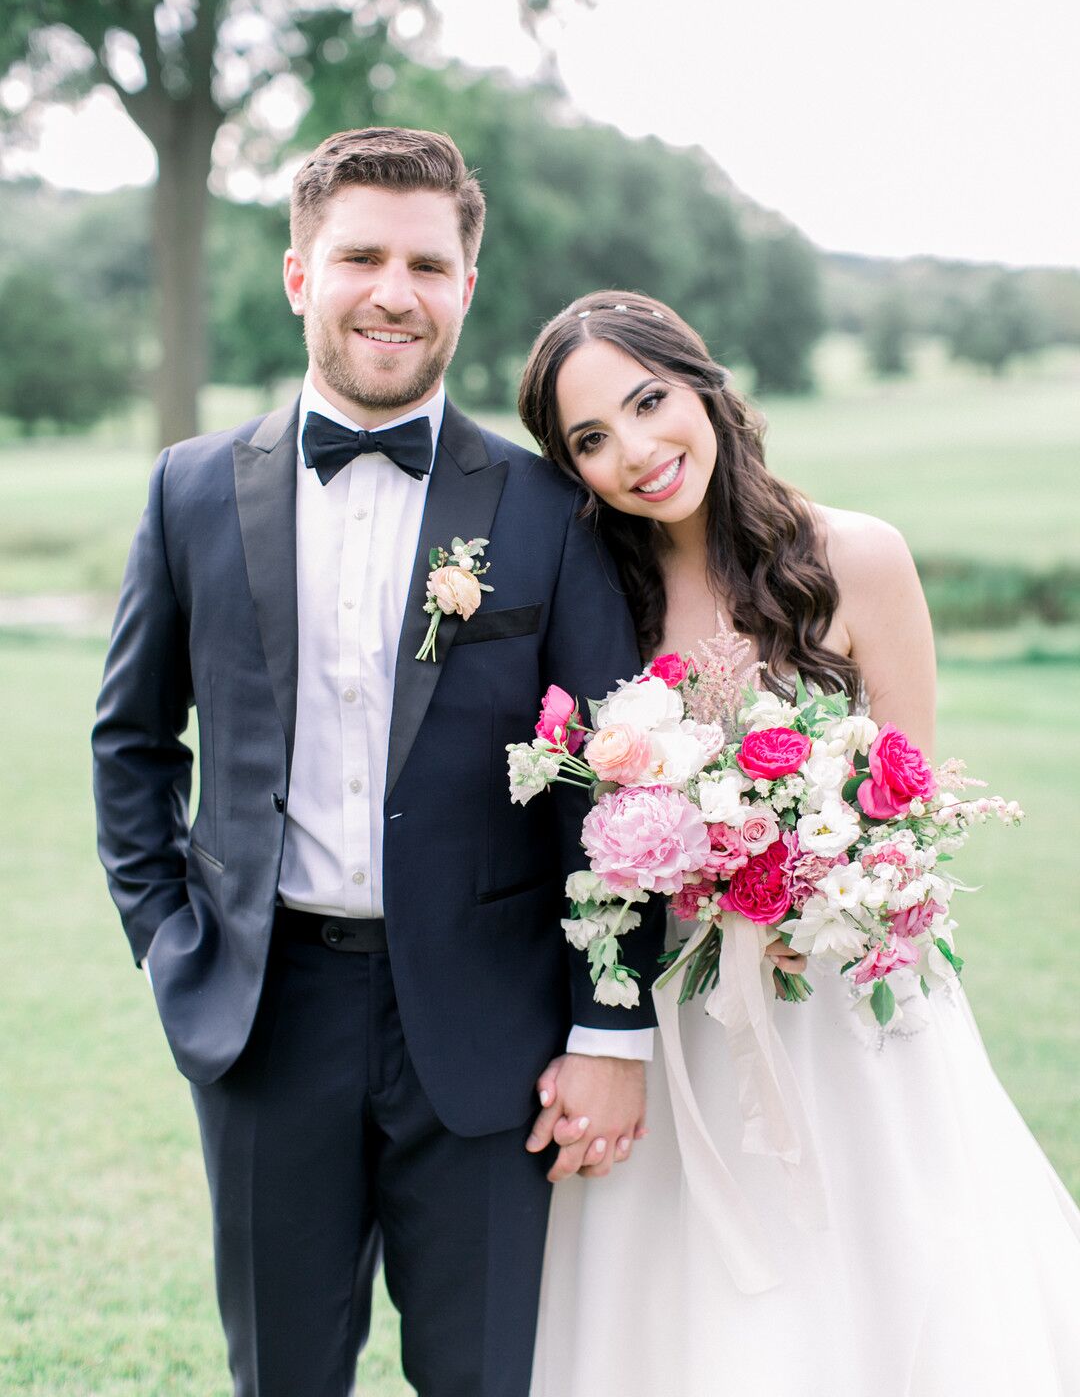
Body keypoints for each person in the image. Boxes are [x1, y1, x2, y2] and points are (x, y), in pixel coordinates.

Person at [91, 134, 663, 1397]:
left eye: (427, 262)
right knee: (283, 1376)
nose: (393, 291)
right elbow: (133, 742)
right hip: (262, 1015)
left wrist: (608, 1025)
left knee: (484, 1378)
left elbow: (615, 790)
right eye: (361, 256)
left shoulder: (545, 511)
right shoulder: (189, 491)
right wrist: (168, 939)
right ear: (300, 273)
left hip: (490, 1031)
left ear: (467, 285)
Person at [517, 290, 1080, 1397]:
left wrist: (816, 883)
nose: (636, 451)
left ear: (704, 386)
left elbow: (909, 803)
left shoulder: (859, 557)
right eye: (590, 439)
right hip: (677, 1020)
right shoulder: (594, 594)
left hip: (842, 1018)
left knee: (887, 1291)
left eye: (648, 401)